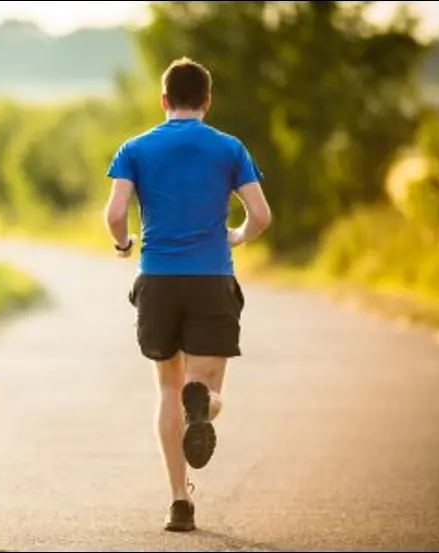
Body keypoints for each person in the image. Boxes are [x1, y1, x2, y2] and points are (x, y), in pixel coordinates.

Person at [102, 57, 273, 533]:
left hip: (157, 280)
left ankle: (179, 503)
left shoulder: (135, 148)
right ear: (207, 101)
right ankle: (206, 407)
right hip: (210, 279)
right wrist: (238, 235)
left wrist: (123, 245)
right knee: (207, 390)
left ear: (163, 101)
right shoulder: (229, 148)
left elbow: (115, 213)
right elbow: (260, 215)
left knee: (166, 389)